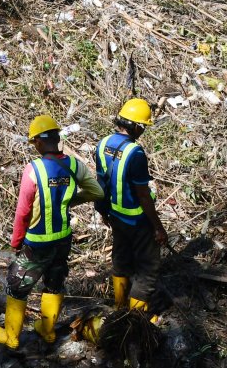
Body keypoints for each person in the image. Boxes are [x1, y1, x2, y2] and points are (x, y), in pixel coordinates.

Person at [0, 114, 103, 349]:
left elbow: (23, 211)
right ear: (57, 138)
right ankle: (48, 331)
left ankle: (11, 337)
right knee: (54, 282)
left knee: (17, 284)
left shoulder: (33, 170)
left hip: (37, 242)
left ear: (39, 143)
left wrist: (16, 241)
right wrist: (70, 199)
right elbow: (96, 192)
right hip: (63, 239)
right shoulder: (74, 165)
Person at [95, 99, 168, 314]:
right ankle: (135, 319)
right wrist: (158, 227)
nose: (143, 131)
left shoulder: (103, 143)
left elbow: (100, 181)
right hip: (137, 220)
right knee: (148, 269)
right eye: (143, 127)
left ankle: (119, 306)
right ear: (135, 126)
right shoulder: (135, 154)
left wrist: (102, 210)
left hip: (114, 216)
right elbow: (144, 196)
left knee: (121, 257)